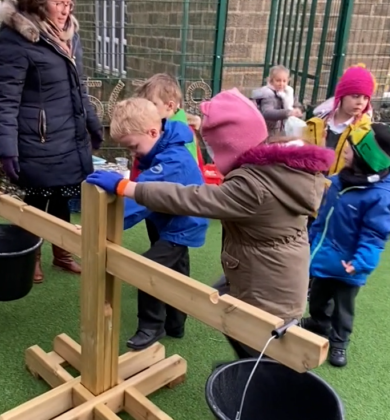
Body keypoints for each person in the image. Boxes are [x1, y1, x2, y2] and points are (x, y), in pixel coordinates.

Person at [88, 88, 335, 358]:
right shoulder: (268, 170)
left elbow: (195, 198)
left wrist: (127, 187)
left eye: (216, 148)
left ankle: (255, 382)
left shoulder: (252, 184)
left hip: (270, 281)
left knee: (261, 344)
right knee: (226, 311)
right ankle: (243, 370)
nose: (214, 157)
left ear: (232, 144)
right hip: (259, 268)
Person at [0, 0, 103, 284]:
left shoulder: (70, 35)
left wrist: (92, 124)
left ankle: (62, 253)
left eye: (69, 3)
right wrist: (7, 149)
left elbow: (77, 88)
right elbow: (5, 99)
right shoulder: (16, 39)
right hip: (37, 140)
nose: (66, 10)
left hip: (68, 136)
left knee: (63, 197)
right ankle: (33, 256)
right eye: (59, 4)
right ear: (40, 2)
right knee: (37, 202)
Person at [89, 97, 208, 351]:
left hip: (182, 225)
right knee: (176, 273)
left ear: (153, 132)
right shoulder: (163, 147)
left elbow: (142, 197)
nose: (133, 154)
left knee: (148, 269)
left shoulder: (172, 160)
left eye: (133, 147)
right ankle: (175, 324)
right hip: (169, 219)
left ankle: (151, 326)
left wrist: (100, 225)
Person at [301, 120, 390, 368]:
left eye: (351, 148)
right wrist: (312, 239)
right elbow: (324, 215)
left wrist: (360, 263)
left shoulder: (380, 198)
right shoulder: (343, 179)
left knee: (343, 307)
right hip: (326, 254)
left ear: (365, 159)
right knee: (319, 296)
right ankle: (319, 322)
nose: (345, 149)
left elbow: (375, 236)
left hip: (348, 264)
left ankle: (340, 341)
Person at [304, 63, 376, 176]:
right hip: (312, 187)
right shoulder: (315, 124)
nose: (360, 102)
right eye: (355, 96)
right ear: (341, 96)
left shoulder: (366, 131)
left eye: (366, 98)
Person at [130, 74, 204, 181]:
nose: (147, 109)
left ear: (170, 106)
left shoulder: (183, 134)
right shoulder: (161, 127)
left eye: (153, 104)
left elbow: (188, 171)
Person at [251, 65, 304, 135]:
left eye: (284, 81)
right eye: (278, 81)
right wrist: (288, 113)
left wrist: (299, 109)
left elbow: (296, 104)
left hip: (285, 129)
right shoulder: (268, 94)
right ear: (271, 80)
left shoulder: (288, 92)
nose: (281, 84)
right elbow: (267, 112)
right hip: (270, 131)